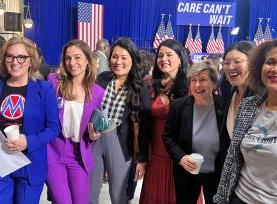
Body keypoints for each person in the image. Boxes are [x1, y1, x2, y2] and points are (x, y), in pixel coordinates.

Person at [214, 34, 277, 204]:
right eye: (270, 62)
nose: (276, 69)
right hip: (240, 198)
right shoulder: (248, 106)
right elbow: (233, 158)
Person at [0, 36, 60, 203]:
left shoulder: (43, 89)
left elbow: (53, 127)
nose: (15, 61)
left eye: (21, 57)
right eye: (10, 56)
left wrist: (29, 142)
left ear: (31, 61)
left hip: (29, 163)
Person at [90, 37, 151, 204]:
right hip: (94, 140)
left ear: (132, 59)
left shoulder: (140, 87)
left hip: (120, 142)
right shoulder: (102, 78)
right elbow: (90, 107)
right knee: (89, 195)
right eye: (115, 56)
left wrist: (142, 159)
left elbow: (145, 126)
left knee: (118, 196)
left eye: (124, 57)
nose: (118, 61)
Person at [46, 39, 105, 203]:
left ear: (87, 60)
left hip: (79, 156)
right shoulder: (53, 82)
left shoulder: (98, 93)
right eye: (68, 58)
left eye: (77, 57)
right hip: (54, 153)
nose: (72, 63)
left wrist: (93, 136)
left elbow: (93, 127)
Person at [163, 62, 229, 204]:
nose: (197, 85)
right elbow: (167, 137)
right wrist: (181, 157)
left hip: (217, 172)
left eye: (203, 79)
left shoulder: (225, 106)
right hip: (187, 172)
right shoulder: (178, 106)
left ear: (214, 84)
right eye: (193, 80)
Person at [139, 39, 189, 204]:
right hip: (156, 155)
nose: (164, 59)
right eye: (160, 55)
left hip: (181, 156)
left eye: (169, 55)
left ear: (180, 58)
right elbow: (145, 125)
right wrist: (142, 158)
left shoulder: (190, 86)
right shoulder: (150, 85)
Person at [219, 41, 256, 139]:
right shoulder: (230, 95)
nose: (230, 67)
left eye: (237, 61)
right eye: (226, 63)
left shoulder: (264, 98)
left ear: (253, 63)